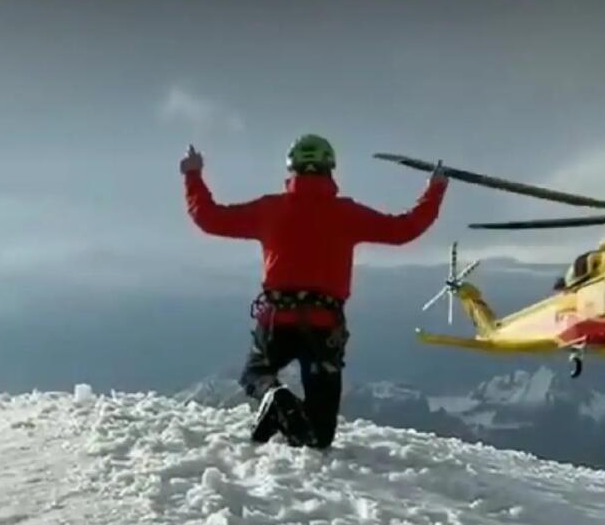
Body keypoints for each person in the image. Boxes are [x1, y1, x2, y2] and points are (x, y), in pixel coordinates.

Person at [180, 134, 447, 448]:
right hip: (324, 326)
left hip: (276, 320)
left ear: (291, 169)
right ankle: (287, 415)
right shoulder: (347, 214)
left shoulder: (269, 209)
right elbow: (405, 229)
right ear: (329, 169)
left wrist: (193, 175)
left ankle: (274, 398)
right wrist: (435, 189)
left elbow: (209, 218)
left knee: (256, 374)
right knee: (319, 437)